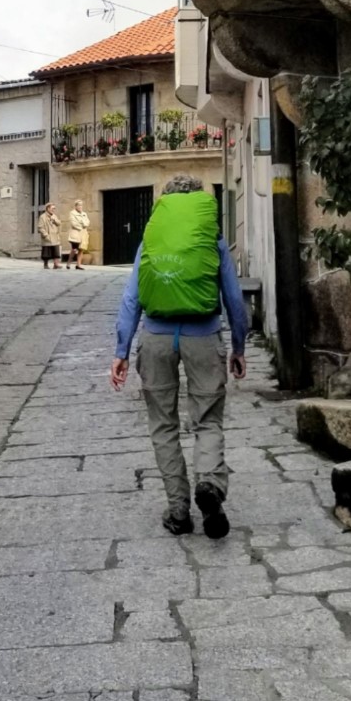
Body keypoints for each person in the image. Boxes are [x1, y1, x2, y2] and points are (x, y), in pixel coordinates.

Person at [108, 176, 248, 537]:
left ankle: (179, 511)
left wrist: (121, 351)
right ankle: (210, 486)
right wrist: (239, 346)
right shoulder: (211, 238)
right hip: (204, 336)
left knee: (163, 424)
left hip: (155, 337)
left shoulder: (151, 239)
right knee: (208, 420)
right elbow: (234, 297)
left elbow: (131, 298)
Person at [37, 201, 63, 269]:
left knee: (56, 251)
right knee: (46, 252)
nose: (54, 210)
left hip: (54, 236)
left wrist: (54, 220)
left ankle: (56, 264)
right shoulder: (42, 217)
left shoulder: (54, 216)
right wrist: (45, 235)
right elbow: (40, 227)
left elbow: (59, 223)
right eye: (52, 208)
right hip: (47, 236)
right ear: (48, 208)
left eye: (54, 208)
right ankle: (46, 264)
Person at [66, 200, 90, 269]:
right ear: (76, 206)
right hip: (76, 233)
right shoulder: (72, 213)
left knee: (81, 249)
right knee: (74, 249)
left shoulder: (84, 214)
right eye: (79, 205)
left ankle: (78, 265)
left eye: (81, 205)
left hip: (83, 233)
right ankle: (69, 262)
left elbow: (88, 222)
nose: (80, 207)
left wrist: (83, 224)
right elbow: (73, 223)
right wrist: (81, 226)